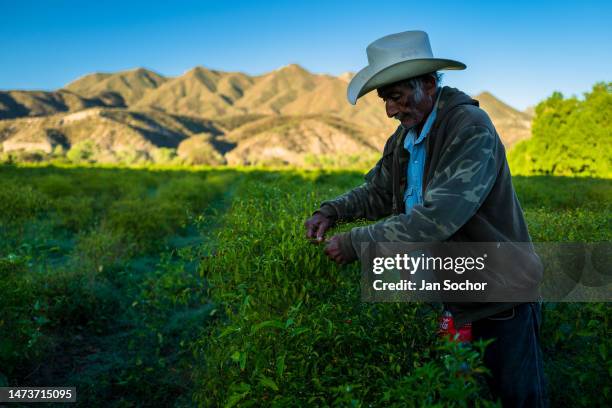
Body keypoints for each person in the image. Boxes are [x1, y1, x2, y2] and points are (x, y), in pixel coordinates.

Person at [304, 30, 547, 407]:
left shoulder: (469, 128)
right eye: (386, 100)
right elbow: (379, 192)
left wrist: (356, 243)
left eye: (397, 97)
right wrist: (331, 211)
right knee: (459, 396)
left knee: (517, 399)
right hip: (456, 297)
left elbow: (438, 218)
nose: (390, 110)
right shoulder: (406, 137)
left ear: (429, 84)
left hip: (503, 300)